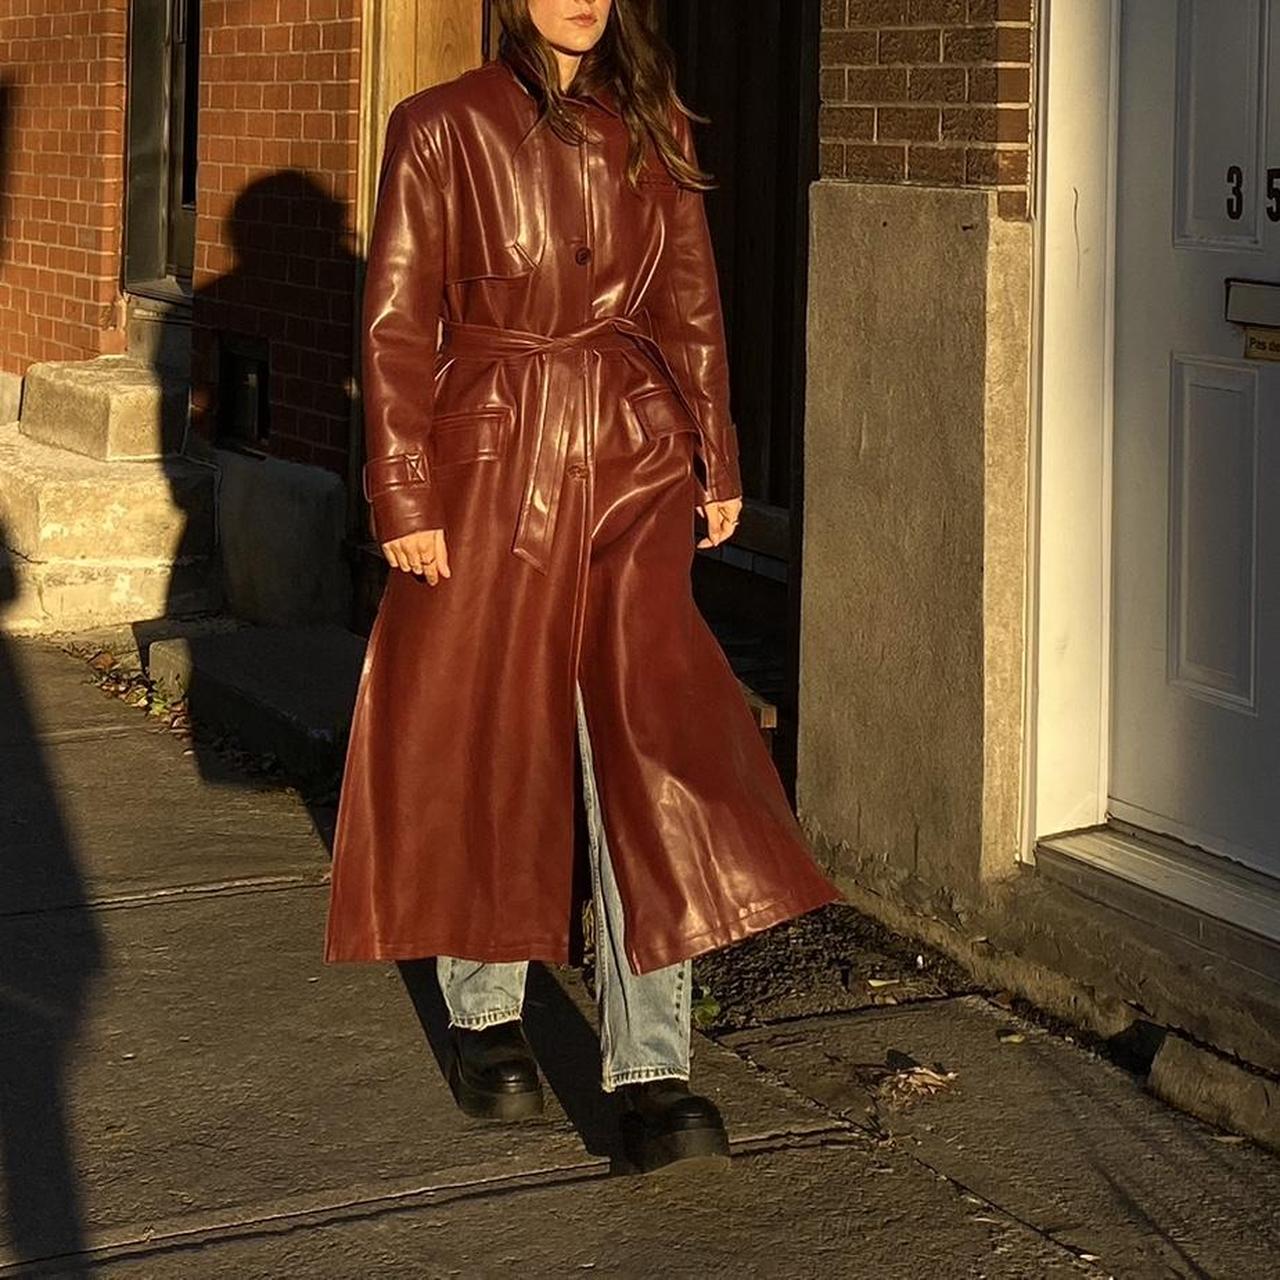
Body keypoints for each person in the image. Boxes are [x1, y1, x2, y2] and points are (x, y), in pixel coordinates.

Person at [324, 0, 844, 1175]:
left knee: (644, 738)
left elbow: (690, 299)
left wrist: (713, 449)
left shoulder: (647, 124)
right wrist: (400, 492)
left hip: (628, 456)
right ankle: (484, 1011)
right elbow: (397, 321)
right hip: (486, 460)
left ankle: (653, 1070)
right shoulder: (438, 124)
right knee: (487, 725)